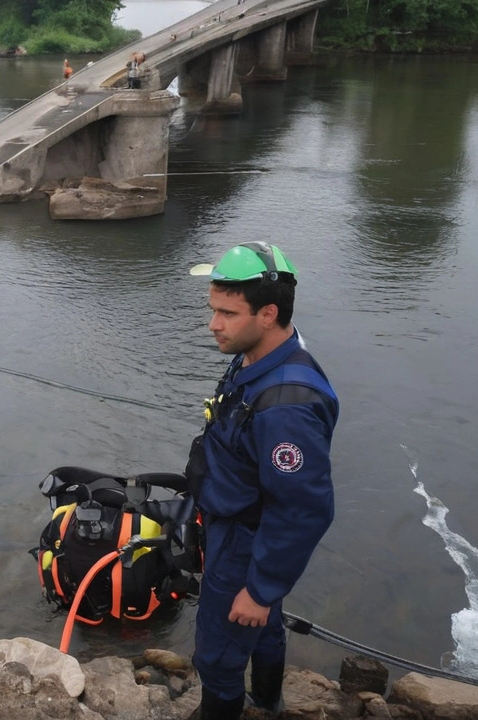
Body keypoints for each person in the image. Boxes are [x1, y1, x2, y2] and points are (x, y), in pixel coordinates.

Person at [183, 242, 338, 719]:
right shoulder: (256, 356)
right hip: (232, 522)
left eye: (227, 313)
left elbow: (304, 508)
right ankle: (268, 703)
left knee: (217, 656)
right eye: (213, 310)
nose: (214, 324)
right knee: (263, 628)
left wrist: (261, 587)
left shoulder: (286, 407)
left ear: (268, 314)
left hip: (247, 542)